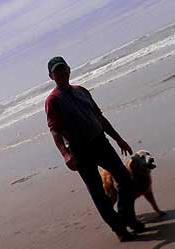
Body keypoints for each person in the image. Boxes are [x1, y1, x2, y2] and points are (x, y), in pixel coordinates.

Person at [44, 56, 144, 242]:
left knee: (125, 179)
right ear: (51, 76)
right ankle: (120, 229)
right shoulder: (53, 100)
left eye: (63, 68)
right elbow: (55, 131)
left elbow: (99, 117)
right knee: (98, 192)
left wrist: (118, 139)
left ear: (69, 69)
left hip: (100, 142)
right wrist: (66, 154)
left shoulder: (81, 91)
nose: (61, 73)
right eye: (56, 71)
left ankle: (127, 218)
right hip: (79, 150)